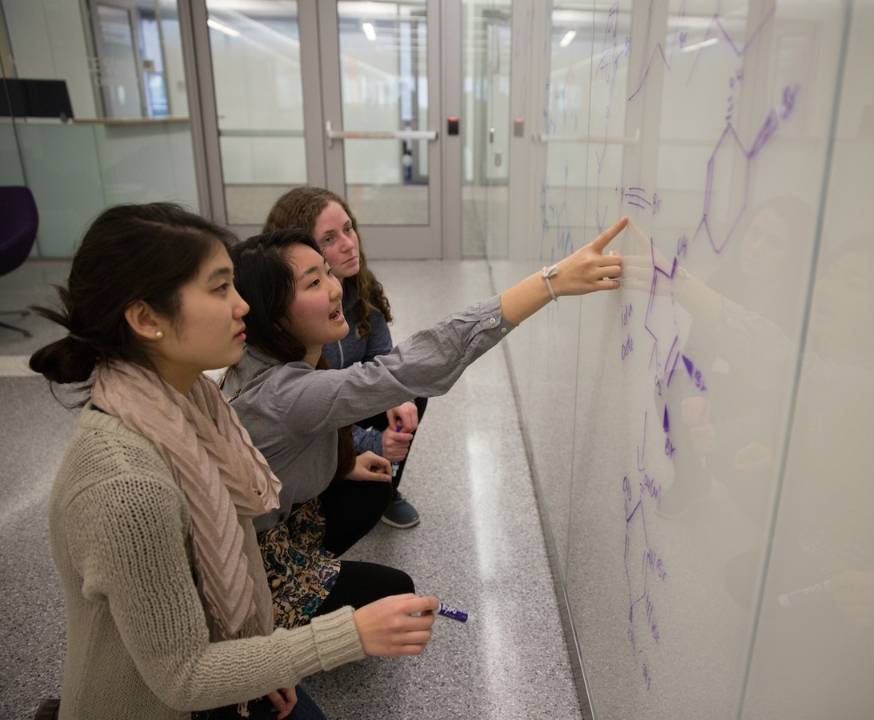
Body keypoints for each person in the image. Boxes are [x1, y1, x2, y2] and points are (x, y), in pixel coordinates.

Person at [30, 203, 440, 720]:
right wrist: (348, 634)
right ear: (146, 319)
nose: (242, 305)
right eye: (221, 288)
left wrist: (264, 654)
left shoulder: (195, 406)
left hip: (226, 649)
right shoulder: (126, 486)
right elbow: (184, 677)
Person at [221, 217, 627, 628]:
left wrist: (347, 463)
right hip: (250, 565)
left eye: (326, 272)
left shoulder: (281, 356)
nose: (333, 287)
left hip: (279, 524)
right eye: (312, 283)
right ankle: (274, 638)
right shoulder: (281, 394)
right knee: (395, 592)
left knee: (374, 487)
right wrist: (550, 283)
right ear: (273, 316)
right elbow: (417, 361)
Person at [263, 186, 423, 528]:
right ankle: (325, 496)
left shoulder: (360, 286)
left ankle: (387, 479)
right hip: (311, 440)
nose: (349, 244)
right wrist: (372, 442)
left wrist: (398, 402)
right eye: (329, 239)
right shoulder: (290, 317)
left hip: (345, 409)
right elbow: (311, 416)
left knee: (410, 392)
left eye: (349, 229)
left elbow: (383, 359)